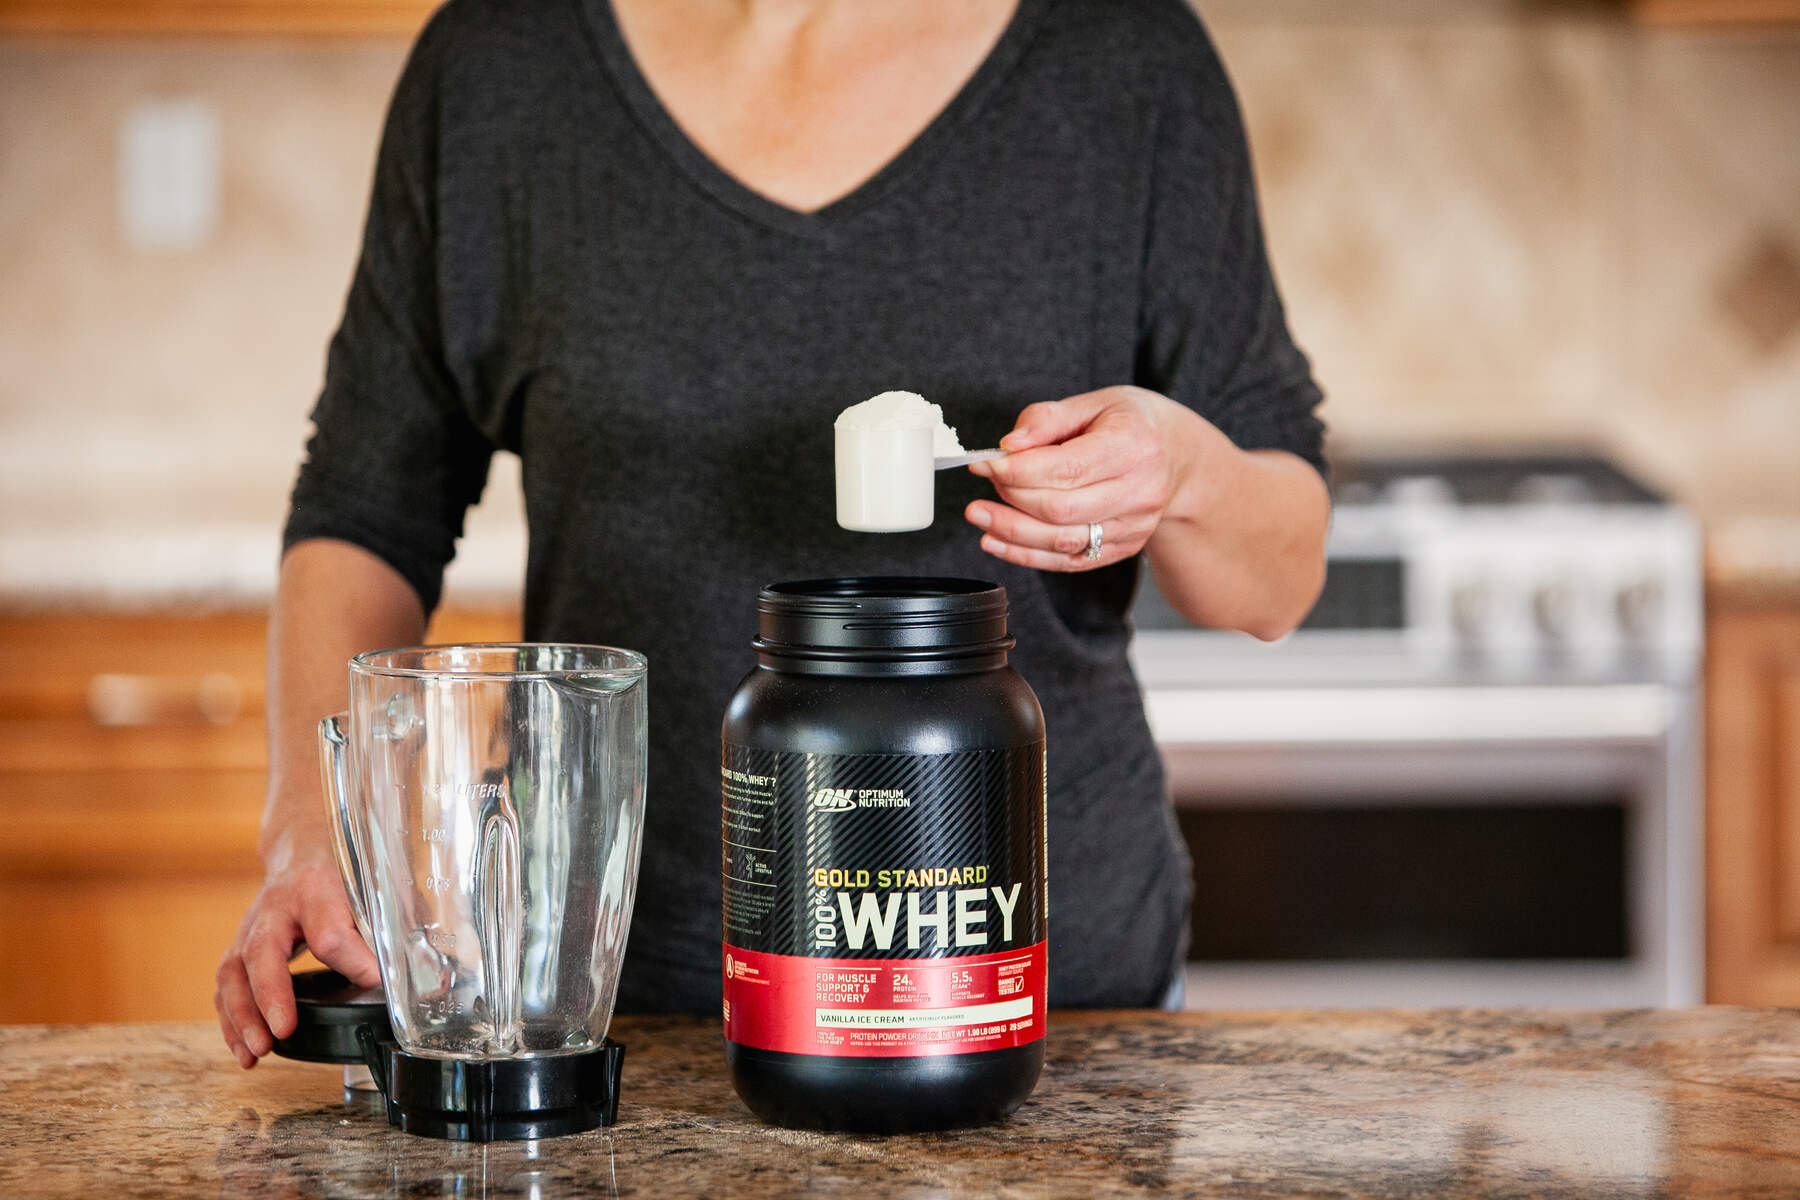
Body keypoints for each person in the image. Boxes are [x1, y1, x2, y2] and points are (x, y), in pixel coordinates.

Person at [214, 0, 1329, 1069]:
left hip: (1049, 999)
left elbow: (1275, 584)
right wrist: (313, 831)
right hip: (603, 998)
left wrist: (1182, 471)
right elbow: (364, 515)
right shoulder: (498, 68)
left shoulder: (1128, 61)